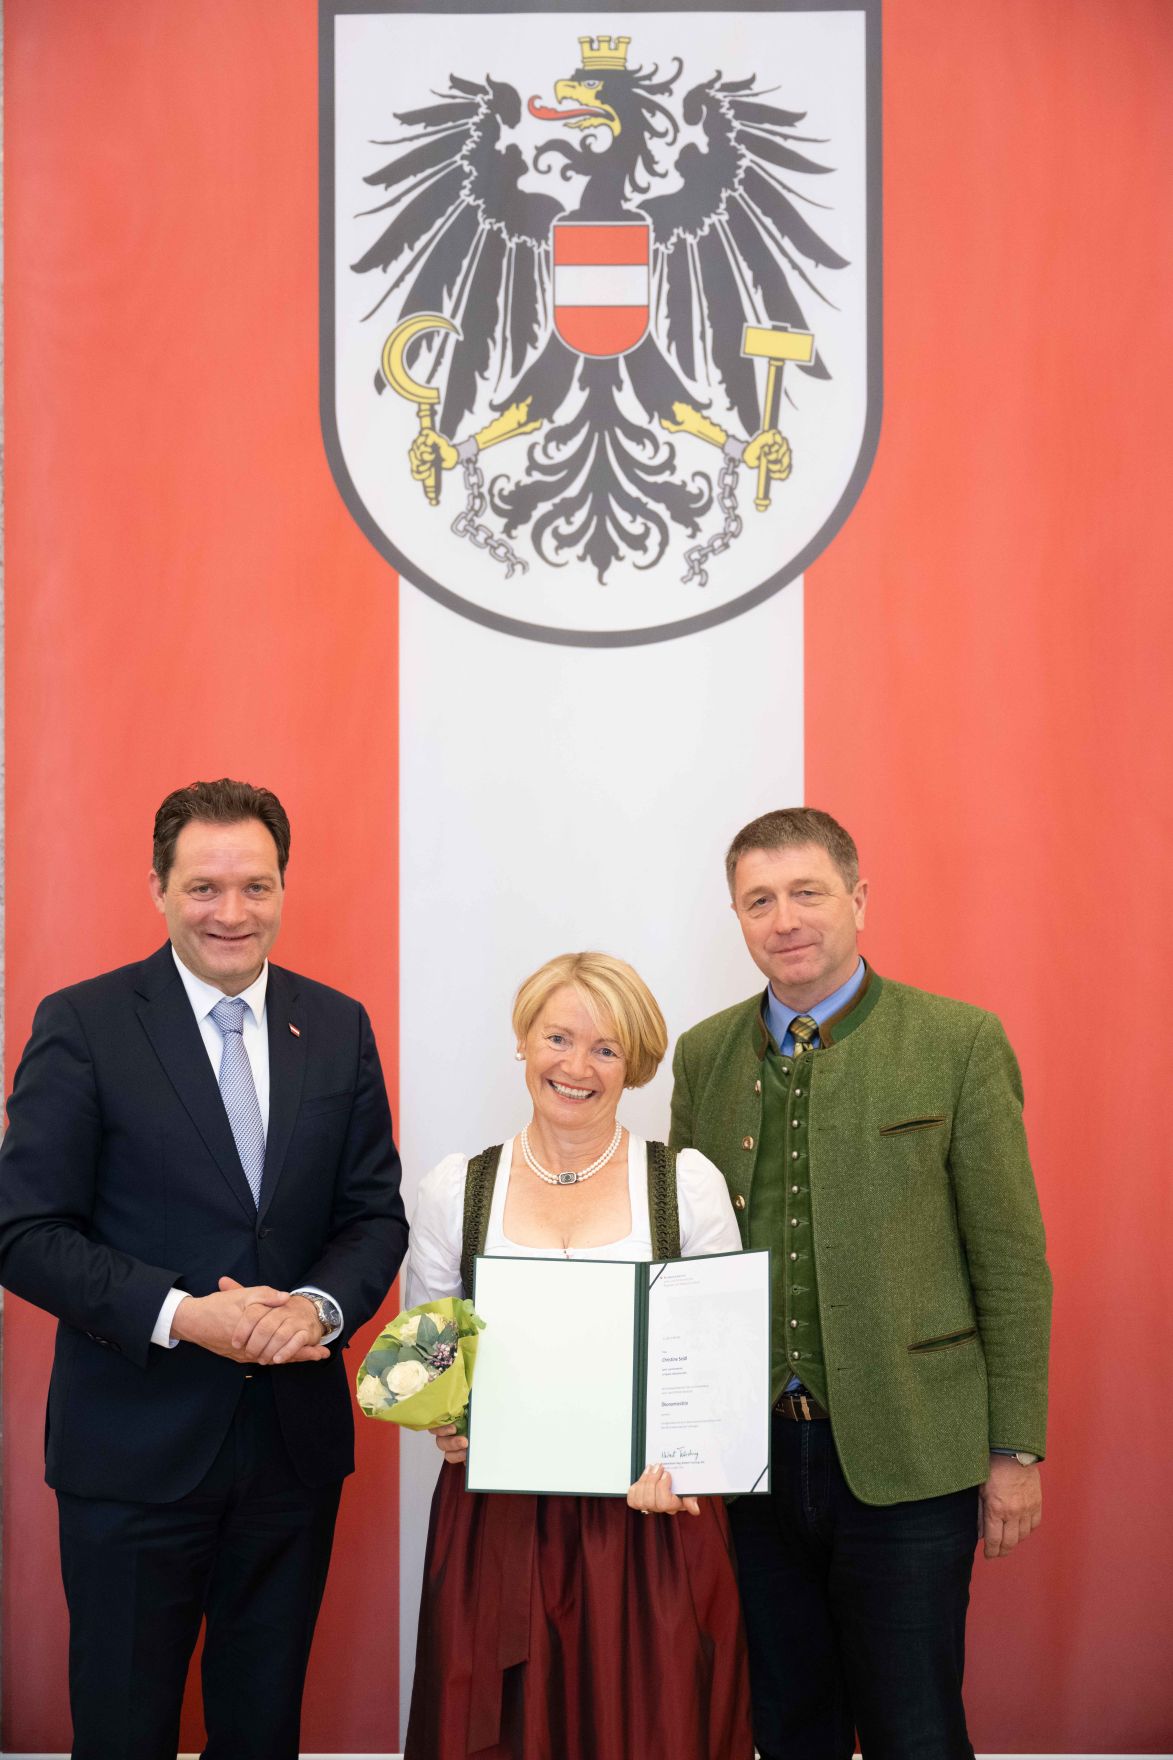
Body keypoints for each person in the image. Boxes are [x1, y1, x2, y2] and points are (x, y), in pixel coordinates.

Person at [0, 778, 408, 1760]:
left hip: (289, 1453)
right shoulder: (85, 1022)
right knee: (124, 1725)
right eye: (204, 886)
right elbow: (24, 1229)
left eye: (256, 886)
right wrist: (183, 1313)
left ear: (284, 888)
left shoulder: (337, 1024)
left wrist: (316, 1307)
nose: (232, 912)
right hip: (133, 1453)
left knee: (262, 1726)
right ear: (157, 885)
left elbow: (372, 1215)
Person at [669, 807, 1052, 1760]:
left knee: (912, 1727)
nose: (785, 918)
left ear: (859, 900)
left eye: (807, 892)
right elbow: (681, 1256)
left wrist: (1016, 1451)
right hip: (753, 1459)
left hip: (911, 1452)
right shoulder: (703, 1054)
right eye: (759, 900)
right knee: (786, 1724)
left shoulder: (957, 1042)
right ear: (737, 916)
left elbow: (1010, 1261)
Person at [402, 951, 754, 1760]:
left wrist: (692, 1460)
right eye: (557, 1037)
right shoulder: (456, 1189)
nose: (576, 1066)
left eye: (605, 1048)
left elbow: (721, 1368)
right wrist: (444, 1420)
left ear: (634, 1065)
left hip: (651, 1524)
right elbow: (429, 1353)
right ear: (522, 1043)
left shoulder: (685, 1186)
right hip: (496, 1522)